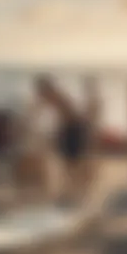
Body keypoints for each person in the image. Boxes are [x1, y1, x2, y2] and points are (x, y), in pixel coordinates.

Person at [34, 74, 101, 203]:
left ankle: (76, 197)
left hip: (72, 132)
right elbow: (68, 114)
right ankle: (75, 196)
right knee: (72, 168)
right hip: (71, 131)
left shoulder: (55, 96)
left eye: (41, 92)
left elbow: (70, 115)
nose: (41, 96)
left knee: (74, 168)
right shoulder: (56, 96)